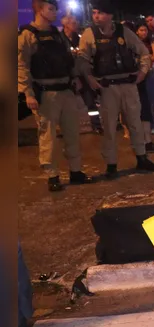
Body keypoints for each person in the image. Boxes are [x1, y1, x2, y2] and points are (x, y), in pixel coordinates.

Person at [78, 0, 154, 179]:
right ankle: (111, 164)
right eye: (94, 13)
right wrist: (90, 78)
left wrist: (143, 72)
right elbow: (82, 60)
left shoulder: (124, 32)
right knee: (109, 128)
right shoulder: (89, 34)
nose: (96, 16)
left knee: (135, 124)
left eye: (100, 12)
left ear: (110, 15)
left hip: (129, 85)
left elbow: (143, 52)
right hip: (107, 88)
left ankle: (141, 157)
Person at [18, 0, 93, 191]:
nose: (54, 13)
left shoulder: (57, 34)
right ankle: (52, 175)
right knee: (48, 137)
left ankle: (76, 171)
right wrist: (27, 93)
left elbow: (67, 58)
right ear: (39, 10)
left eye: (55, 9)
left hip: (65, 90)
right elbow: (22, 66)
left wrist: (75, 76)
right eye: (50, 9)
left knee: (72, 133)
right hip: (45, 93)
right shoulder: (27, 34)